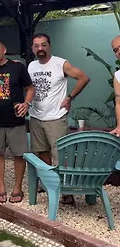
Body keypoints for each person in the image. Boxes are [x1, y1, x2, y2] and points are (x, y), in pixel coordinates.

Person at [0, 38, 34, 204]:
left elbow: (30, 88)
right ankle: (1, 186)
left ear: (4, 50)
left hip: (16, 120)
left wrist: (26, 104)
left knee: (19, 154)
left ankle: (17, 188)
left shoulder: (18, 67)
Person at [28, 33, 90, 166]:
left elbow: (83, 78)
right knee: (42, 152)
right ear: (32, 48)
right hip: (36, 117)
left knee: (60, 154)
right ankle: (47, 179)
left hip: (55, 118)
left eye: (43, 45)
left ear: (49, 46)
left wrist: (70, 98)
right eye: (36, 46)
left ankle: (62, 179)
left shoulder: (61, 63)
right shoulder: (31, 66)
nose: (40, 48)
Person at [110, 35, 120, 137]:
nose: (119, 51)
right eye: (116, 50)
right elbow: (119, 103)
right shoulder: (118, 75)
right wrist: (119, 126)